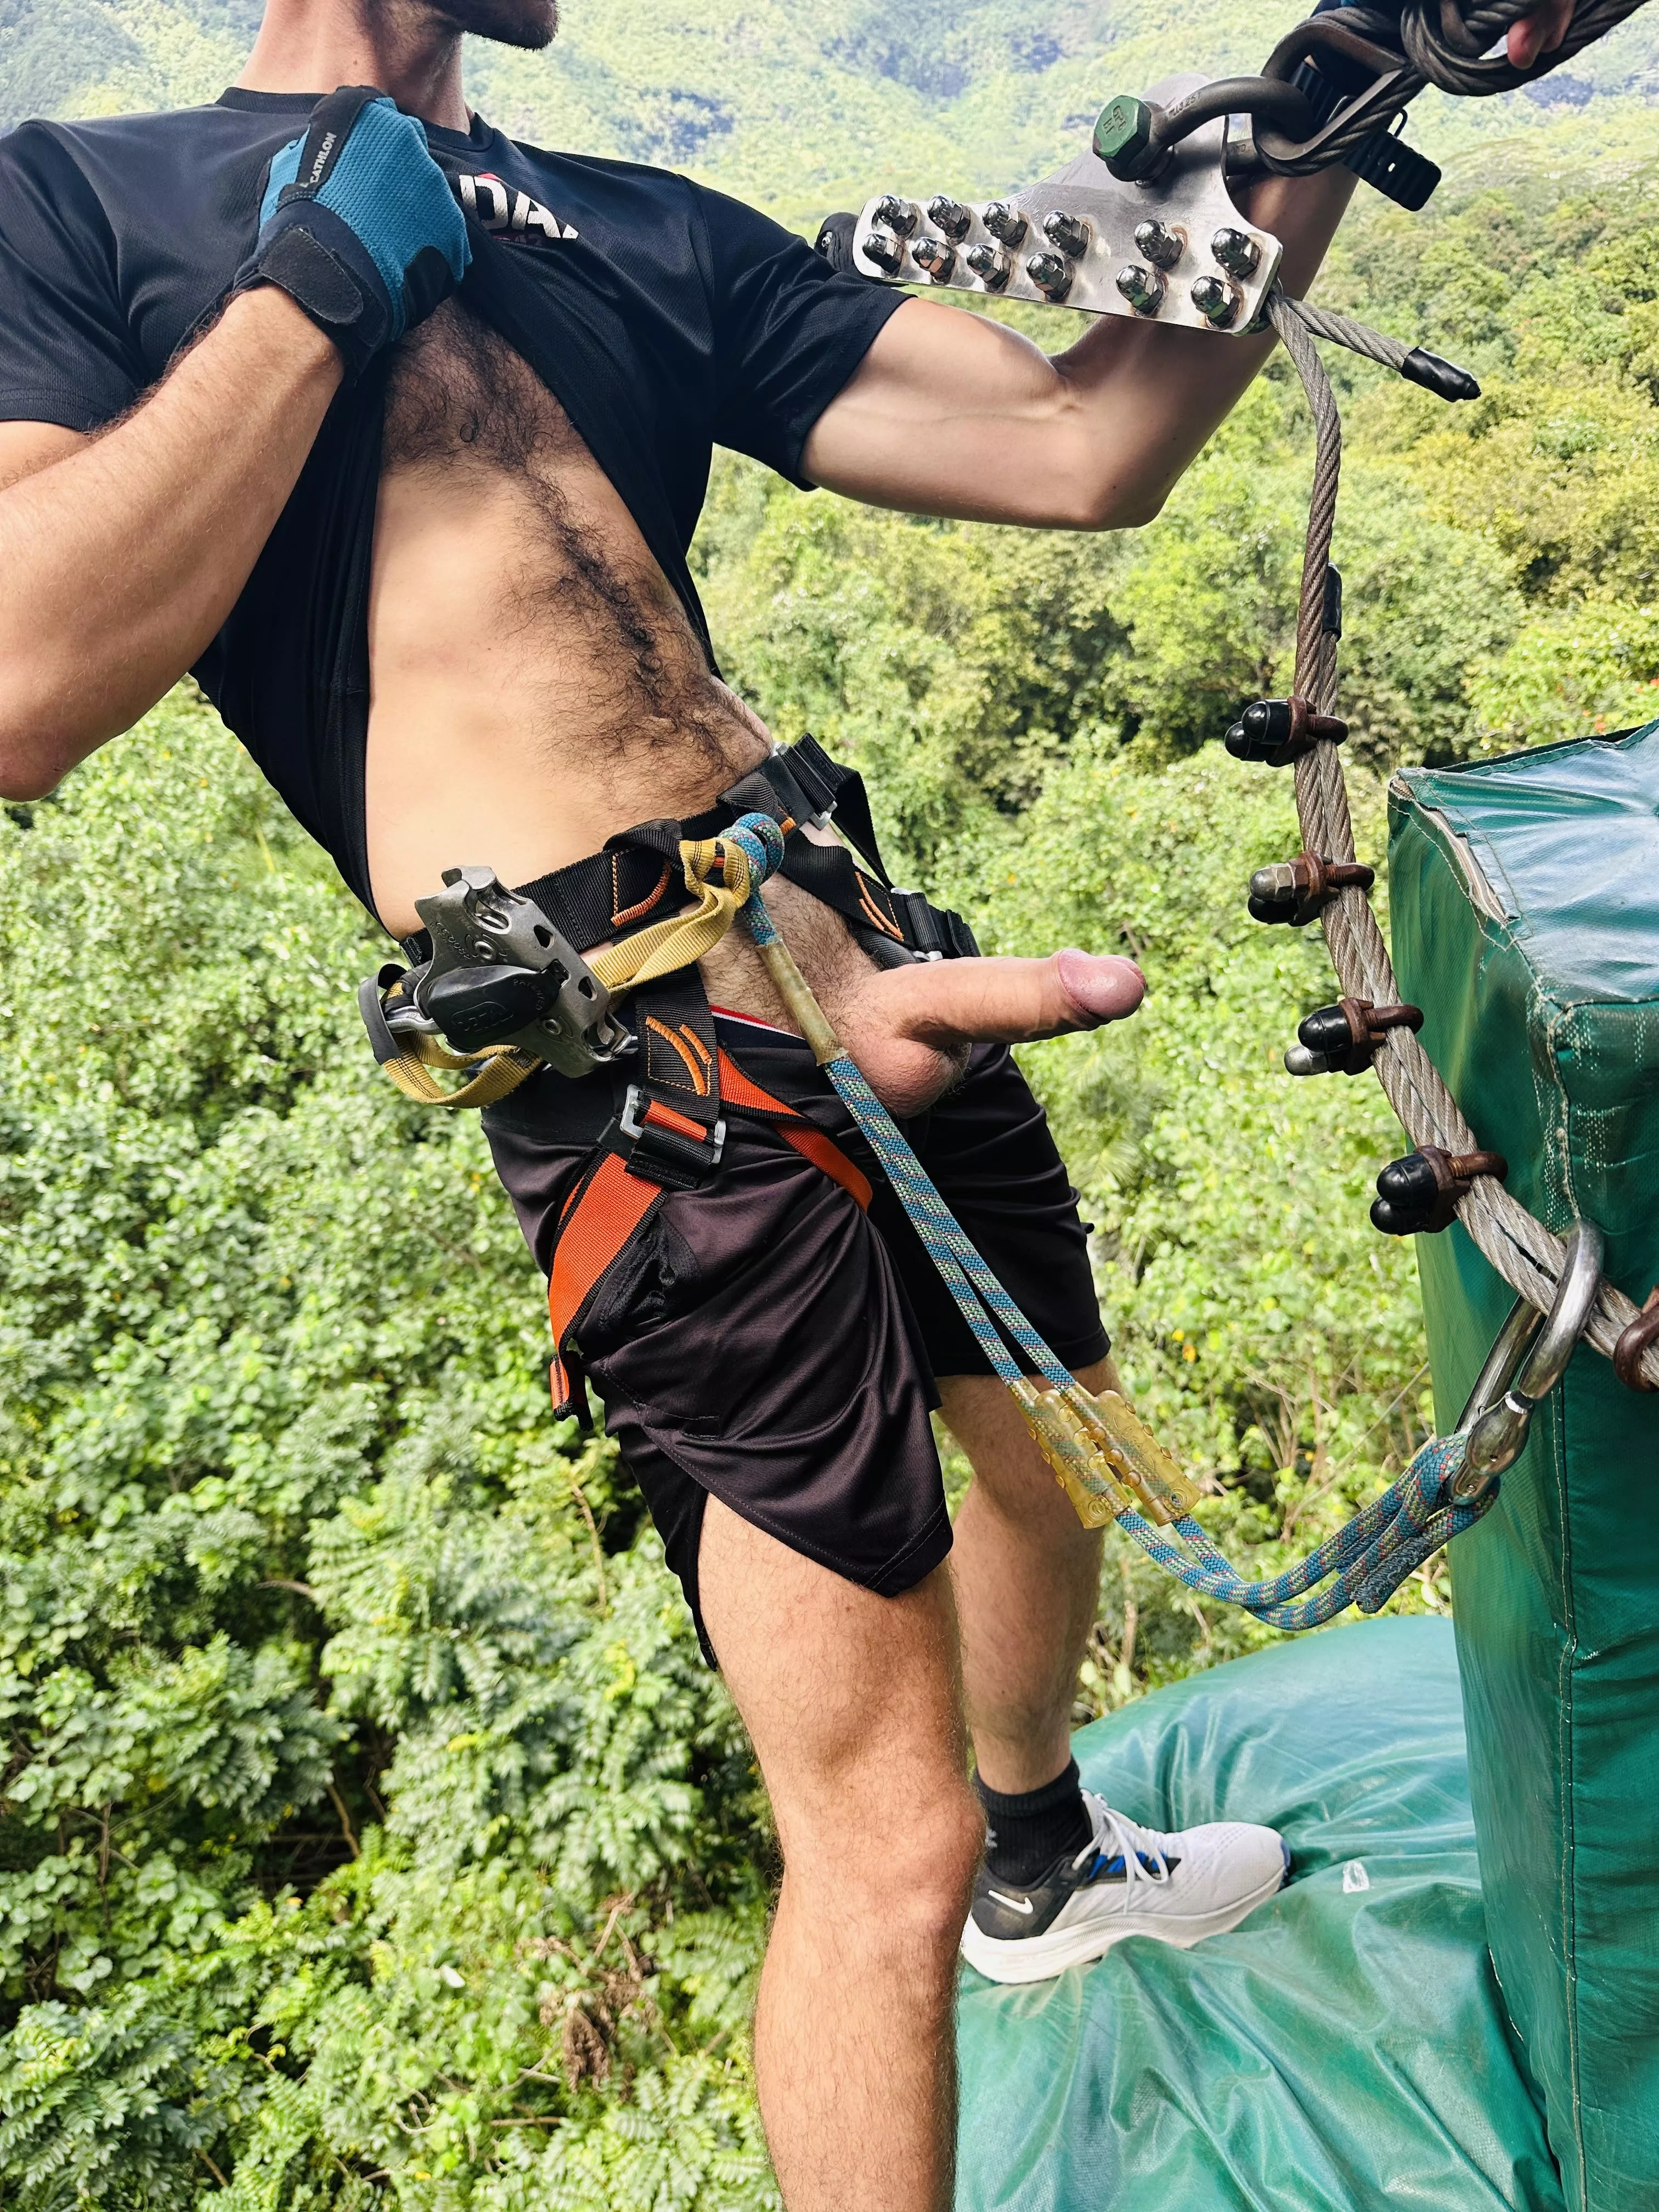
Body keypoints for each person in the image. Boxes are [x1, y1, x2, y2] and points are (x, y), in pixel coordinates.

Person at [0, 0, 1575, 2204]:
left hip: (857, 937)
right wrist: (314, 290)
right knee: (876, 1845)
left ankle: (1056, 1862)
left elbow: (1078, 441)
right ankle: (976, 1868)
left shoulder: (627, 223)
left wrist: (1335, 93)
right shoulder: (86, 206)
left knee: (1051, 1476)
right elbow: (22, 677)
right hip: (644, 1078)